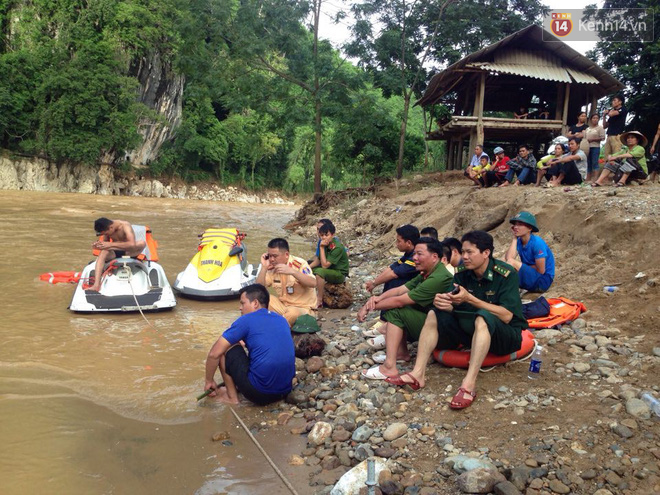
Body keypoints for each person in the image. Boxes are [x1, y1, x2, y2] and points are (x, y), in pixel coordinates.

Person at [385, 231, 527, 410]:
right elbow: (460, 308)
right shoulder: (462, 273)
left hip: (505, 336)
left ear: (486, 253)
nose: (464, 257)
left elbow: (507, 315)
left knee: (483, 318)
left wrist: (470, 299)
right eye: (463, 252)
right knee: (434, 313)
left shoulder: (505, 274)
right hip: (472, 331)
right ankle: (418, 374)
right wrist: (445, 303)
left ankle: (468, 384)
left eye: (470, 252)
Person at [358, 237, 453, 380]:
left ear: (434, 257)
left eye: (419, 254)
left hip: (443, 333)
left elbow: (399, 301)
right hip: (433, 325)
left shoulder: (438, 278)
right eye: (414, 254)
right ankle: (401, 354)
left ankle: (389, 367)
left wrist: (367, 308)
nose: (414, 258)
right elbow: (399, 290)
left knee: (395, 309)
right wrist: (378, 298)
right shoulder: (428, 272)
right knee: (394, 306)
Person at [203, 284, 295, 405]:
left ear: (255, 303)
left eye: (243, 303)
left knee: (225, 347)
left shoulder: (245, 320)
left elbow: (214, 354)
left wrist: (209, 381)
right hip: (284, 390)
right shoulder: (281, 319)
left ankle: (232, 398)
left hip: (260, 394)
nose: (240, 308)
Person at [255, 238, 317, 326]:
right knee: (258, 300)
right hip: (283, 306)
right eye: (270, 256)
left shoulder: (299, 264)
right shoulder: (271, 268)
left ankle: (275, 330)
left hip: (303, 308)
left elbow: (313, 283)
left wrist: (292, 271)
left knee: (292, 313)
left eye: (275, 256)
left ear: (286, 254)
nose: (272, 259)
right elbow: (258, 289)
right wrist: (264, 267)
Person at [90, 218, 147, 291]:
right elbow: (105, 243)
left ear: (111, 227)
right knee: (103, 252)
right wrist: (98, 246)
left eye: (106, 233)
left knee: (142, 243)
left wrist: (110, 245)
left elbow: (132, 244)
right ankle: (96, 285)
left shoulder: (125, 225)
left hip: (129, 252)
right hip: (114, 252)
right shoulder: (107, 228)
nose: (106, 235)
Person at [504, 212, 555, 292]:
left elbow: (541, 270)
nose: (516, 227)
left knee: (512, 264)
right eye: (515, 225)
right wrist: (514, 238)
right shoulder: (519, 241)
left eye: (520, 224)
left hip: (543, 281)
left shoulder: (537, 242)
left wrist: (519, 267)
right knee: (500, 265)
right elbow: (508, 259)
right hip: (532, 277)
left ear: (530, 228)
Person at [365, 225, 419, 294]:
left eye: (399, 241)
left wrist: (374, 284)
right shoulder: (408, 254)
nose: (396, 244)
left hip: (415, 290)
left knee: (394, 281)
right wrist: (374, 282)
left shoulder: (415, 257)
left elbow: (394, 274)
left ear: (408, 243)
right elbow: (392, 267)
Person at [312, 222, 349, 308]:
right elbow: (319, 260)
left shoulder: (337, 247)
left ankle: (319, 299)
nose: (324, 237)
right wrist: (306, 267)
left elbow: (324, 265)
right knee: (308, 270)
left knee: (319, 272)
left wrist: (321, 247)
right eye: (322, 235)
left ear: (333, 235)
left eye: (326, 235)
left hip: (339, 273)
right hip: (331, 269)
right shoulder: (325, 243)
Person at [585, 113, 606, 182]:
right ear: (591, 120)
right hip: (587, 147)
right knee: (588, 162)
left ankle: (595, 178)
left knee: (595, 162)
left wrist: (593, 140)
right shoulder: (587, 129)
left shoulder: (600, 128)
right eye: (593, 118)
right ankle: (588, 178)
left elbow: (603, 138)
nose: (595, 119)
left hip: (595, 147)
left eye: (596, 118)